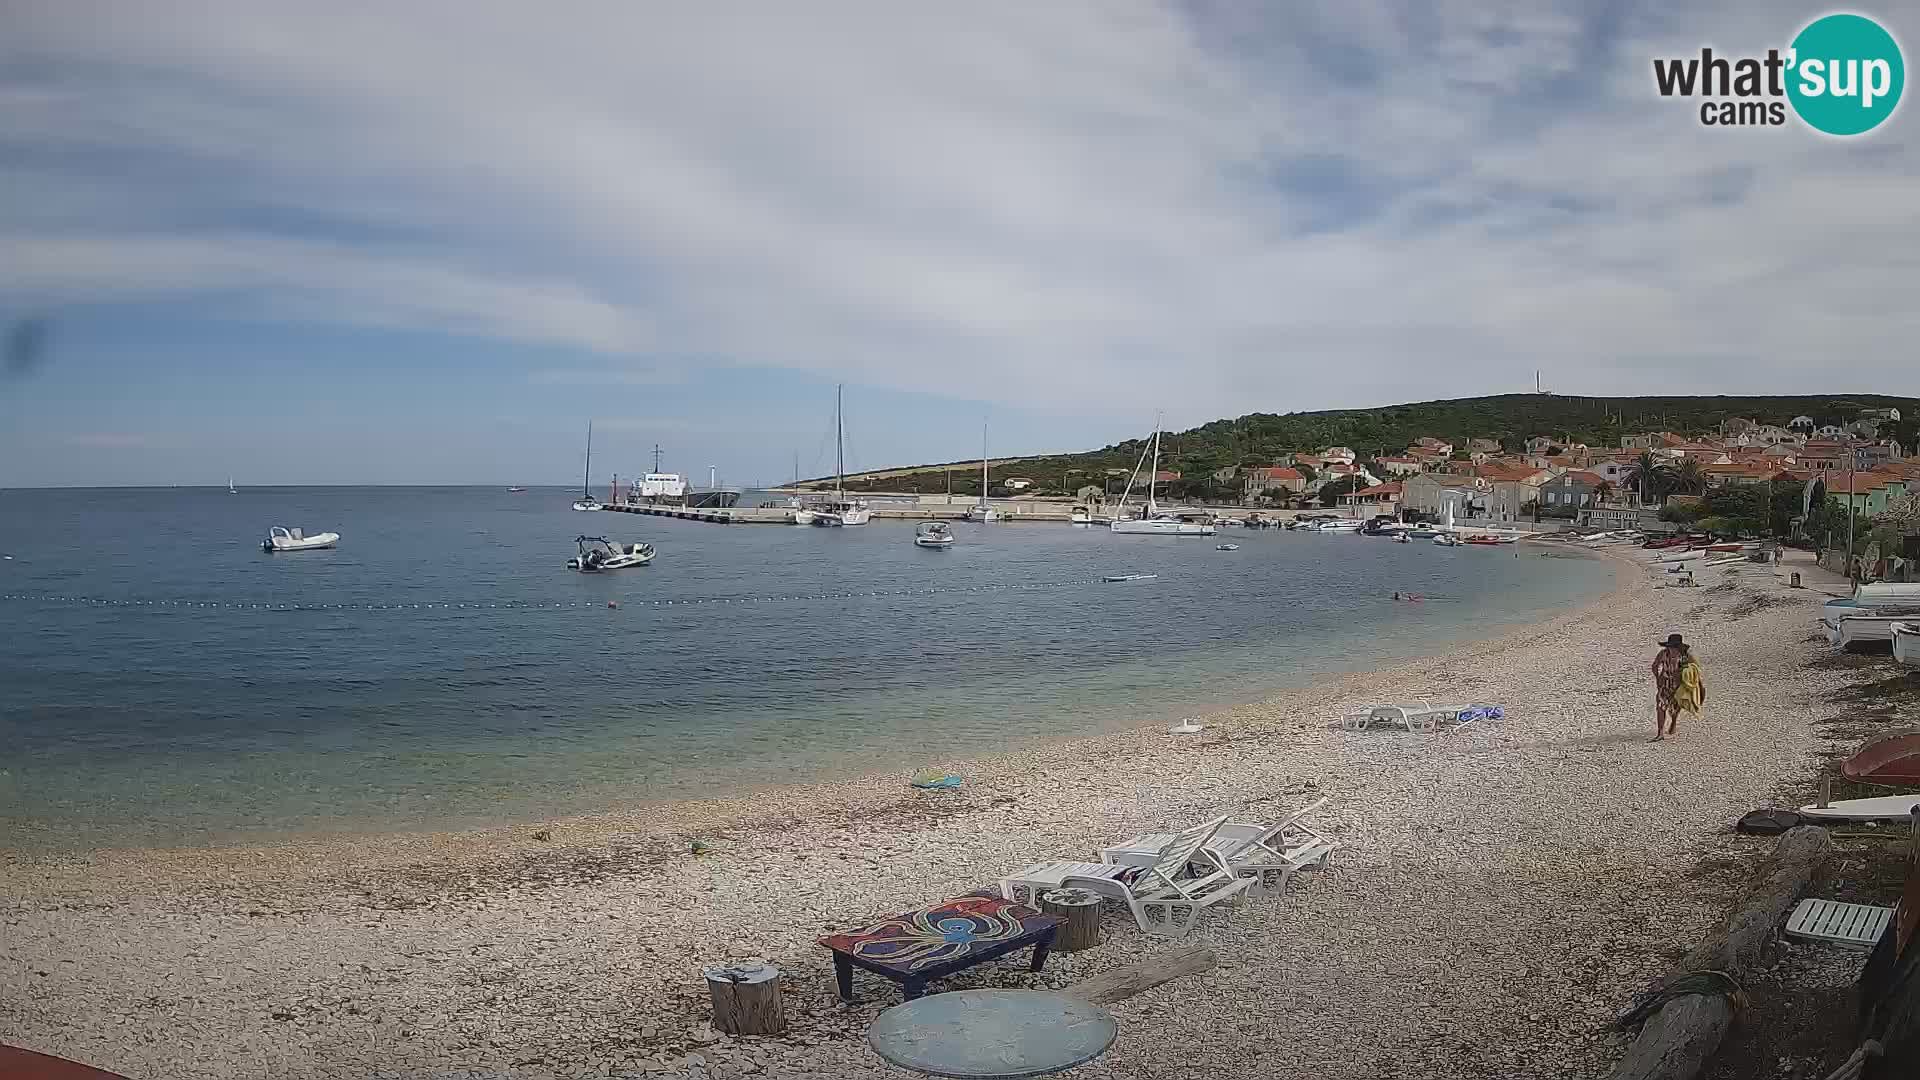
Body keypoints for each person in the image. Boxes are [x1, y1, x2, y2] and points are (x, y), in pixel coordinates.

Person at [1649, 633, 1706, 741]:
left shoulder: (1686, 656)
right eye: (1671, 647)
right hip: (1665, 685)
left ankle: (1674, 721)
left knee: (1676, 707)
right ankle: (1660, 733)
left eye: (1674, 647)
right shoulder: (1663, 654)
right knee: (1660, 706)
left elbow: (1695, 671)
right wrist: (1657, 677)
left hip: (1680, 686)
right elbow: (1655, 665)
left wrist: (1698, 685)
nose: (1672, 649)